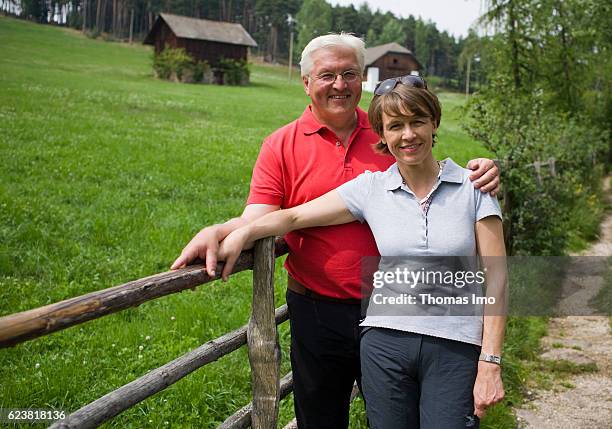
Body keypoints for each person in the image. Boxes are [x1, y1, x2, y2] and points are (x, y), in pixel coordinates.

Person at [171, 33, 501, 429]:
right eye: (328, 75)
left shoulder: (390, 125)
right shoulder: (284, 145)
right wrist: (223, 231)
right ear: (306, 82)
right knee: (322, 417)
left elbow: (438, 186)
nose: (340, 85)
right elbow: (273, 216)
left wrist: (481, 173)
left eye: (349, 74)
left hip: (396, 313)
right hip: (320, 309)